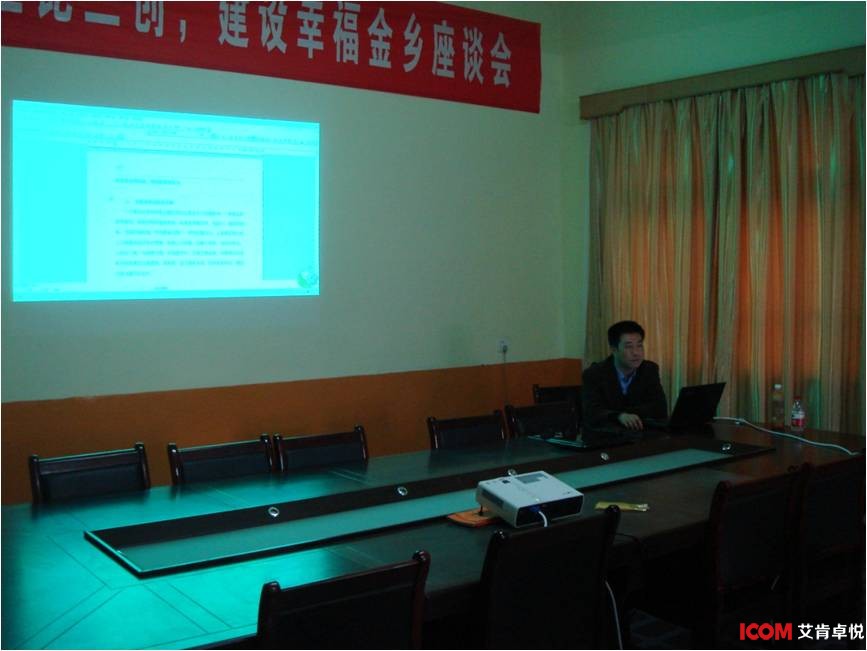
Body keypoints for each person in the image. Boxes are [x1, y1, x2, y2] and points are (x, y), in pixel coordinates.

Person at [582, 320, 667, 431]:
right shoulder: (594, 374)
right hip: (607, 435)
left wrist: (622, 413)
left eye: (639, 346)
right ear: (614, 349)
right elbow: (592, 412)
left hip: (641, 431)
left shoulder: (649, 369)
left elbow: (660, 408)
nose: (636, 352)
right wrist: (619, 416)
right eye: (628, 347)